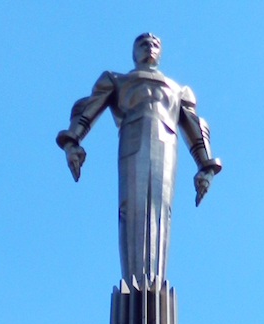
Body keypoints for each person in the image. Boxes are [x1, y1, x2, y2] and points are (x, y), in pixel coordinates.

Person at [57, 33, 221, 286]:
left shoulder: (178, 90)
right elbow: (87, 109)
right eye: (143, 44)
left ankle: (155, 282)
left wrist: (205, 166)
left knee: (161, 208)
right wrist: (72, 141)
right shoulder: (117, 80)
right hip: (132, 143)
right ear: (134, 53)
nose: (150, 47)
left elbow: (195, 127)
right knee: (131, 208)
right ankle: (134, 282)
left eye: (155, 44)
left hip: (167, 147)